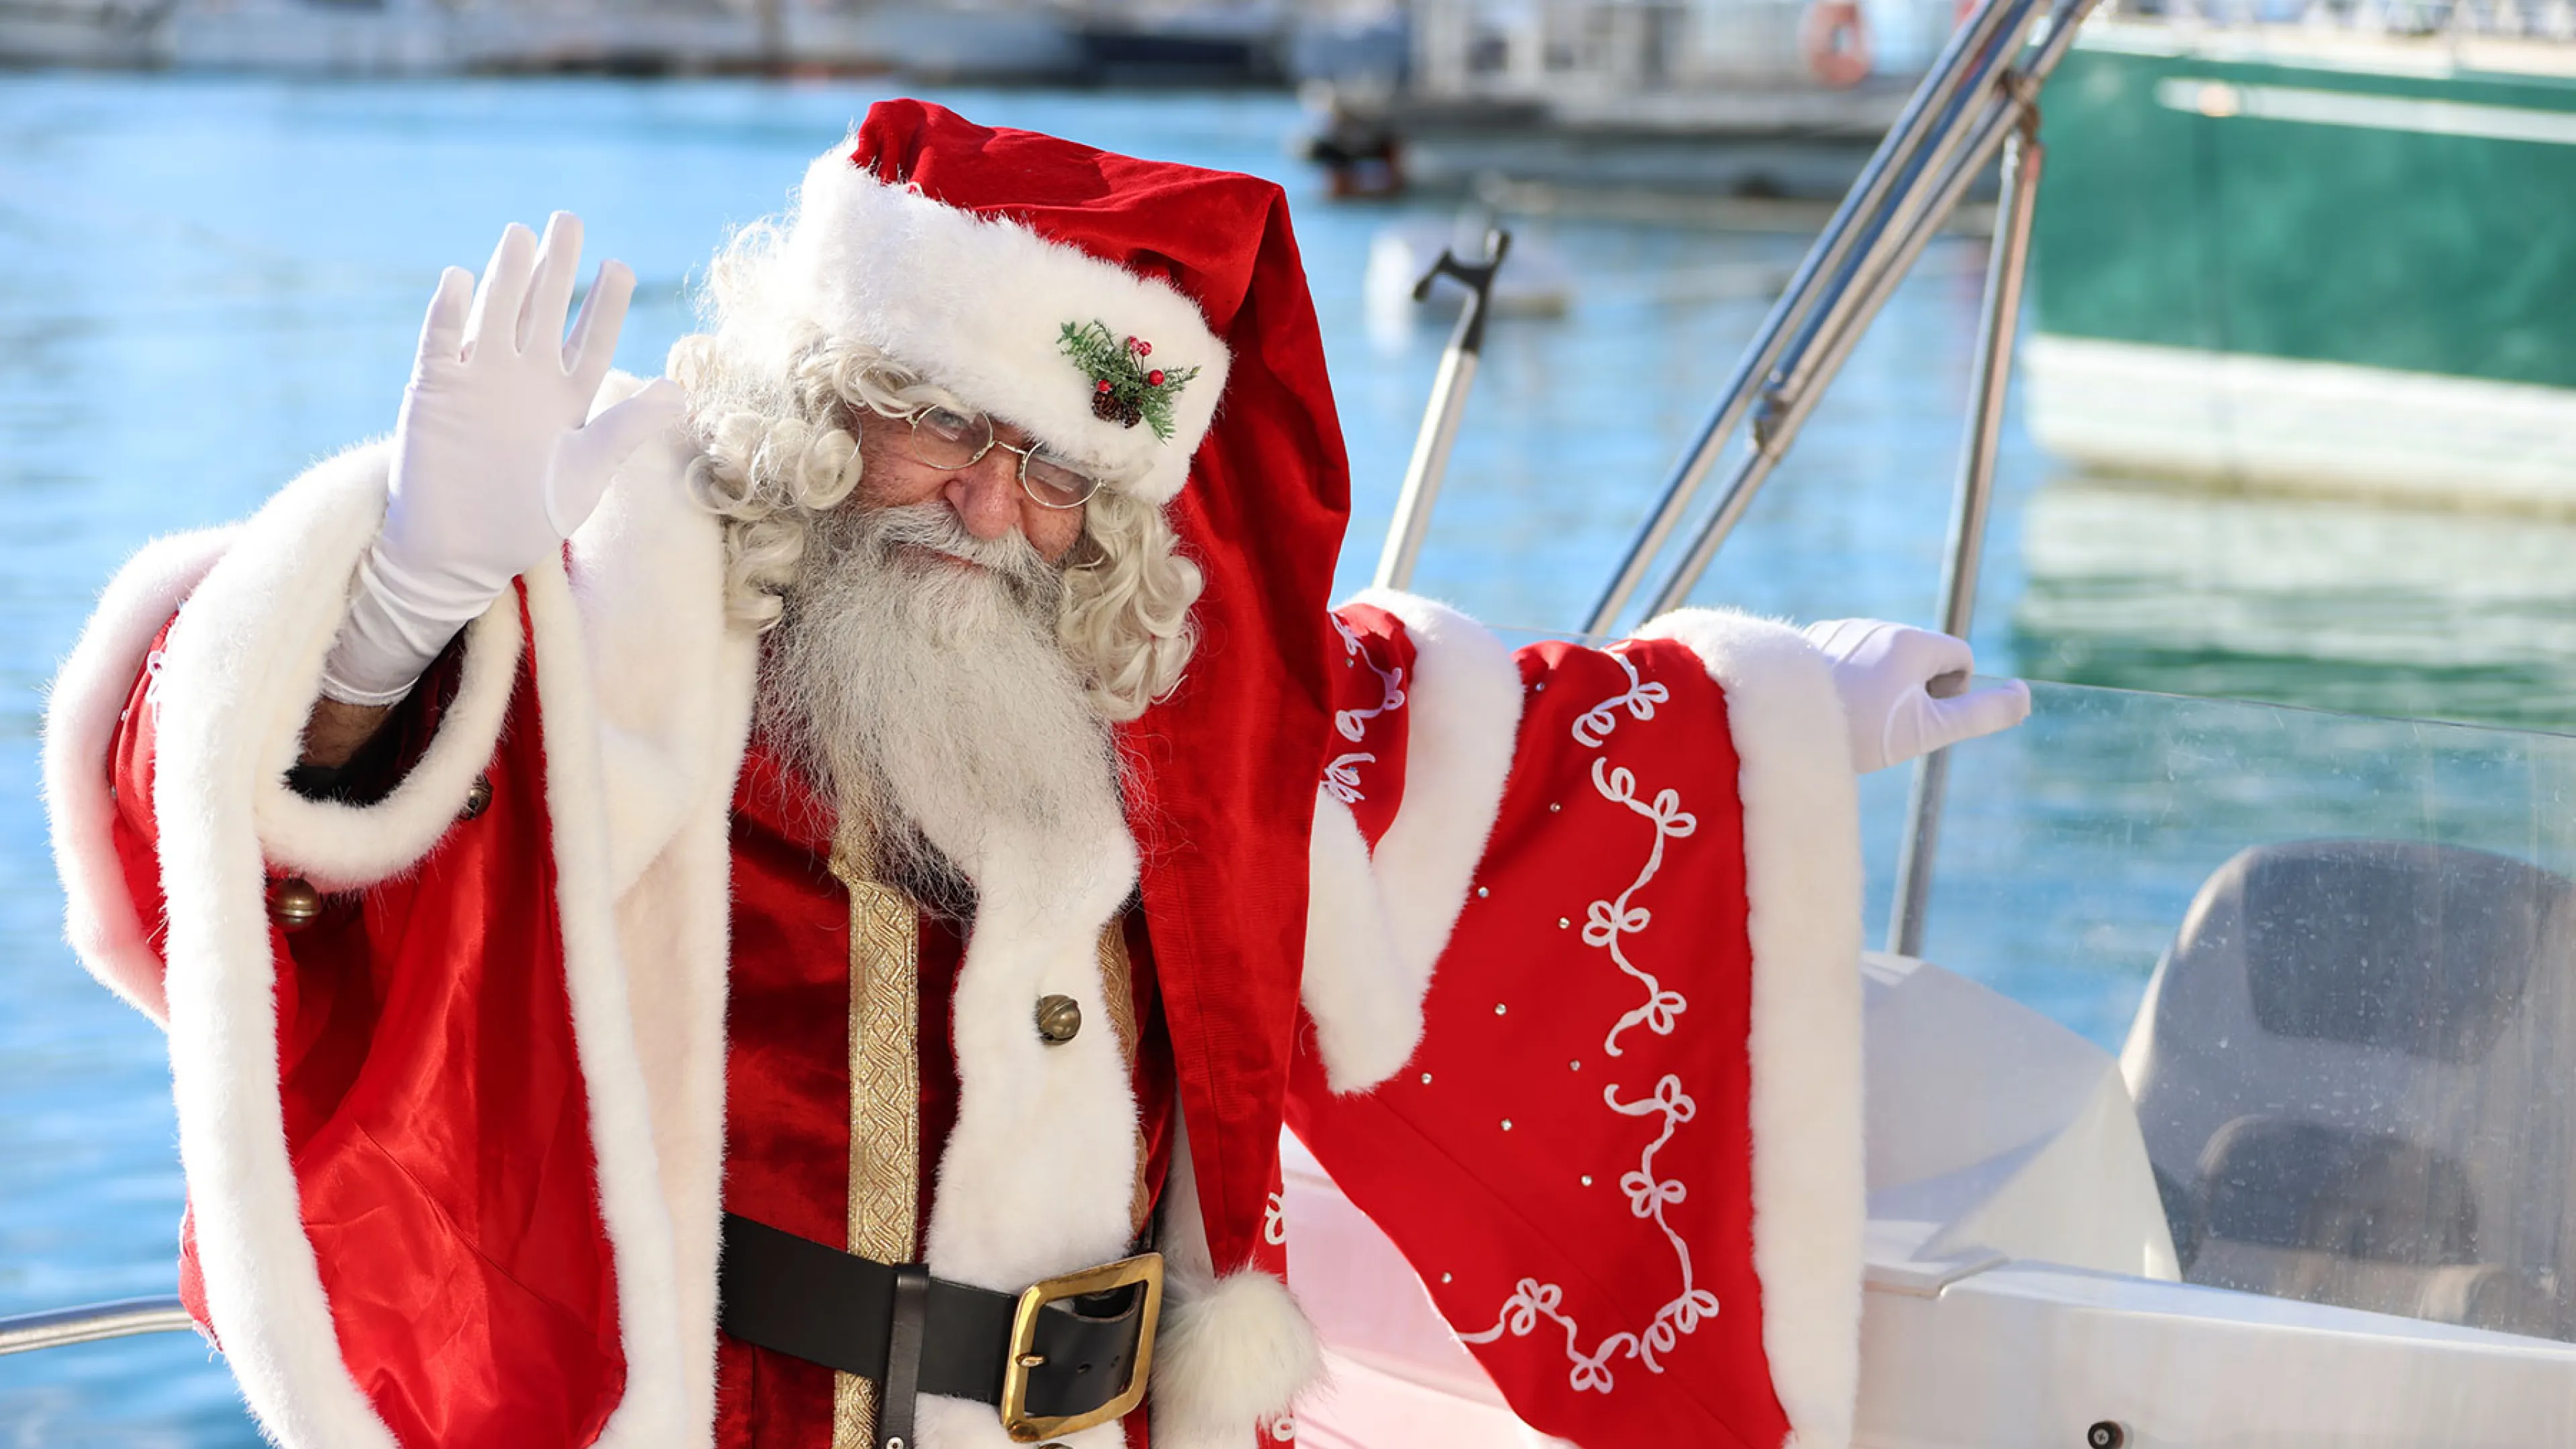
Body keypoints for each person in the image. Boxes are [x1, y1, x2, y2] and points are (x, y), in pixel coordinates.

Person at [42, 101, 2029, 1449]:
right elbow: (262, 864)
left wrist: (1787, 710)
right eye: (940, 432)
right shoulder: (634, 626)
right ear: (828, 411)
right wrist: (395, 598)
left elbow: (1453, 762)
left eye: (1060, 473)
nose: (992, 509)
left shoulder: (1143, 692)